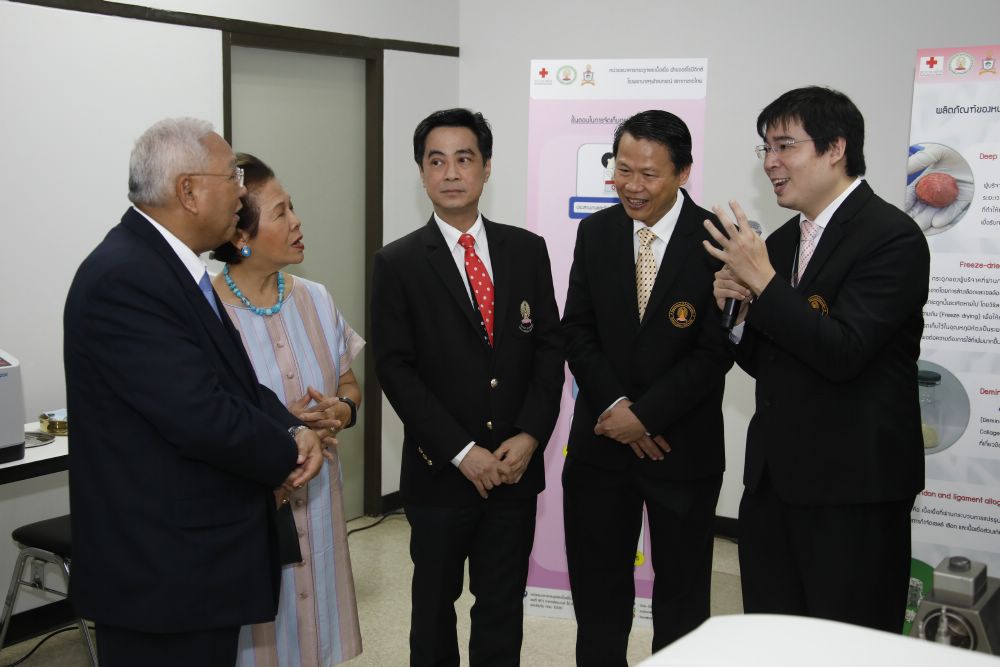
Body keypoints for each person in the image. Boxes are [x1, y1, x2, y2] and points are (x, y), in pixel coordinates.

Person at [64, 118, 324, 666]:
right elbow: (198, 412)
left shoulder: (170, 269)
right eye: (232, 177)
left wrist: (292, 426)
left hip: (192, 564)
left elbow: (231, 383)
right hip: (160, 573)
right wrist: (287, 450)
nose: (241, 194)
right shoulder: (126, 278)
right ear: (188, 190)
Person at [703, 86, 930, 632]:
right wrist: (739, 314)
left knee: (846, 642)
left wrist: (763, 284)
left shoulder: (891, 237)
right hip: (773, 484)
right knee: (774, 637)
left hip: (853, 490)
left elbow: (844, 353)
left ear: (836, 148)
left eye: (785, 145)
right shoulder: (783, 243)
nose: (770, 162)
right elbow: (775, 362)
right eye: (765, 148)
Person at [371, 108, 563, 666]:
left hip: (513, 469)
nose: (451, 173)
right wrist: (461, 451)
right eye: (437, 161)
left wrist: (529, 435)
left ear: (486, 167)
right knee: (434, 608)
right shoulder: (398, 262)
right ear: (422, 173)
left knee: (501, 605)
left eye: (464, 159)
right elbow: (396, 369)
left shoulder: (526, 249)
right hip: (440, 473)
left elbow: (549, 349)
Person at [561, 109, 732, 666]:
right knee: (598, 592)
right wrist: (619, 407)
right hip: (602, 444)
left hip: (682, 449)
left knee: (683, 597)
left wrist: (647, 416)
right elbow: (577, 330)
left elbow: (717, 349)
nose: (632, 186)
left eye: (649, 174)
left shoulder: (718, 241)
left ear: (683, 172)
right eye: (623, 170)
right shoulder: (596, 232)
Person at [210, 153, 363, 666]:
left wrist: (341, 410)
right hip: (253, 511)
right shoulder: (207, 315)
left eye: (292, 207)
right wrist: (279, 424)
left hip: (318, 502)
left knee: (317, 638)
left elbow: (349, 384)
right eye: (281, 212)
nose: (297, 222)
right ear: (241, 235)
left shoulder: (315, 298)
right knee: (261, 644)